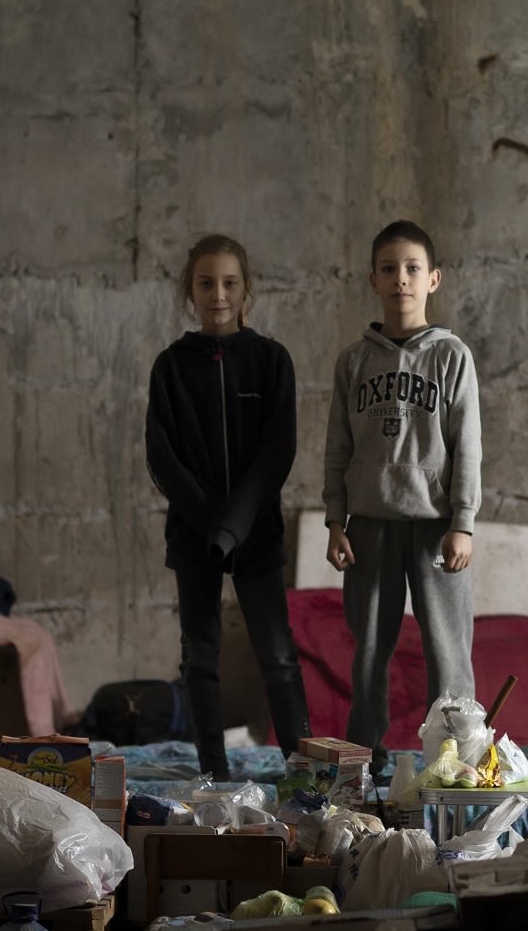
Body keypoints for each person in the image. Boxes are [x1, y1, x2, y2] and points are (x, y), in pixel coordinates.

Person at [145, 233, 309, 780]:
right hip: (194, 537)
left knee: (279, 660)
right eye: (207, 283)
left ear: (247, 290)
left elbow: (276, 453)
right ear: (190, 292)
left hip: (256, 534)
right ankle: (214, 774)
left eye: (229, 283)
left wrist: (235, 525)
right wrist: (213, 526)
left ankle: (304, 771)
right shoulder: (170, 367)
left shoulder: (271, 361)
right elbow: (163, 459)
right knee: (199, 658)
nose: (218, 294)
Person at [322, 220, 481, 753]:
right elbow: (337, 448)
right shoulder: (354, 360)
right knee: (368, 652)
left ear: (433, 279)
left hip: (436, 528)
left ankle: (453, 760)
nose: (401, 279)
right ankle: (362, 763)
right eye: (389, 269)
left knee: (447, 652)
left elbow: (468, 446)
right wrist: (334, 519)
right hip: (368, 525)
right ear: (373, 279)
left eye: (412, 268)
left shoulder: (452, 356)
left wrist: (463, 522)